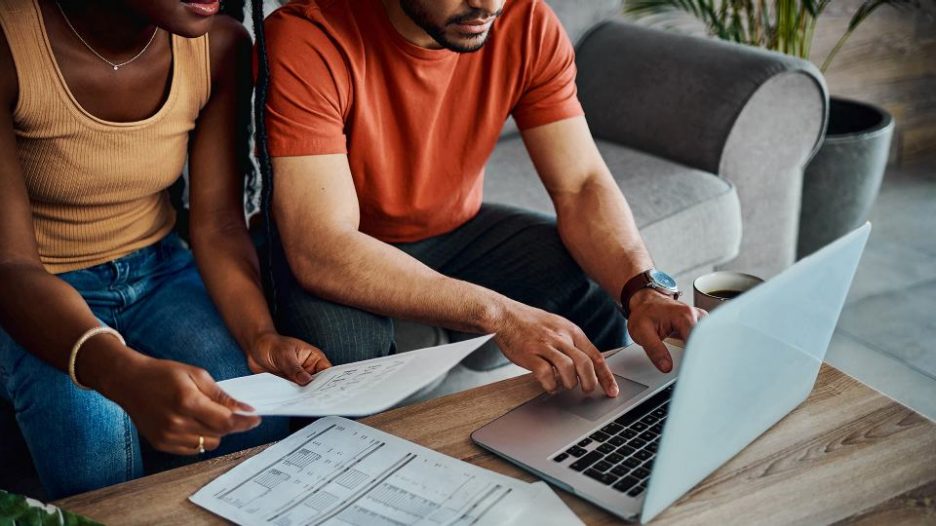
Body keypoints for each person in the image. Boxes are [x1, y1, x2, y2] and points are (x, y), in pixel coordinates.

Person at [254, 0, 706, 398]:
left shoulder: (526, 22)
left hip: (458, 230)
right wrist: (500, 315)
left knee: (589, 289)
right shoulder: (308, 36)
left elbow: (581, 183)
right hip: (345, 243)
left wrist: (642, 290)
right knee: (346, 363)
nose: (488, 5)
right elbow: (322, 247)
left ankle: (604, 448)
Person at [0, 0, 330, 498]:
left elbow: (218, 222)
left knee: (251, 417)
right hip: (37, 287)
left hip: (159, 268)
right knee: (96, 449)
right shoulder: (10, 45)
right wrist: (120, 372)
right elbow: (11, 266)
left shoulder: (219, 46)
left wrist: (260, 334)